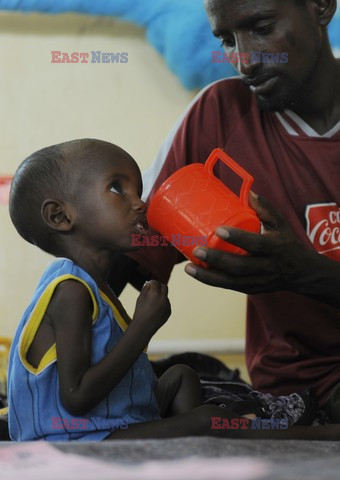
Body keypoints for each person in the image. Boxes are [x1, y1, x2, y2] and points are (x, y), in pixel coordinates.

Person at [108, 0, 340, 423]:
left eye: (262, 28)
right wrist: (65, 303)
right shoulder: (219, 113)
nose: (244, 60)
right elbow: (133, 256)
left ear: (321, 6)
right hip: (290, 394)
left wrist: (306, 273)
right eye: (227, 40)